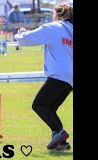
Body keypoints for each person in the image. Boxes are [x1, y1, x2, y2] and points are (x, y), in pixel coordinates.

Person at [14, 1, 73, 150]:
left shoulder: (53, 28)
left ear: (58, 14)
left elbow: (29, 38)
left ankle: (59, 133)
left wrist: (19, 34)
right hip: (70, 79)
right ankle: (61, 142)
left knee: (38, 105)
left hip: (58, 75)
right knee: (50, 108)